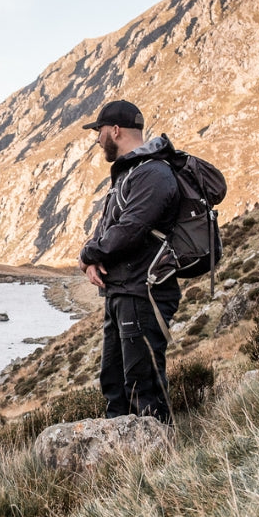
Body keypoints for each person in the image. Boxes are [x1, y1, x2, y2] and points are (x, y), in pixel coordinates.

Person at [78, 99, 181, 423]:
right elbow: (107, 227)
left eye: (100, 131)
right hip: (122, 292)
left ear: (116, 130)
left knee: (144, 388)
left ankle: (159, 461)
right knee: (115, 385)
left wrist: (88, 255)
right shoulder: (129, 174)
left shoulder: (154, 173)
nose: (97, 138)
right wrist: (91, 257)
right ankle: (117, 462)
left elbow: (130, 230)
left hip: (144, 293)